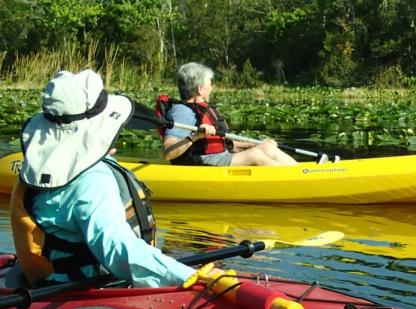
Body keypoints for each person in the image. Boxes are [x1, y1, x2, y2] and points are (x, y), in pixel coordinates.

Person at [9, 69, 196, 288]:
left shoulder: (39, 171)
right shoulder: (92, 181)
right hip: (92, 289)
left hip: (51, 279)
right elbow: (117, 249)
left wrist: (95, 151)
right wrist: (190, 277)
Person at [161, 62, 298, 166]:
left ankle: (301, 172)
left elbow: (224, 143)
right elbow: (168, 153)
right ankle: (297, 181)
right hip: (200, 163)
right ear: (200, 89)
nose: (212, 87)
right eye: (210, 83)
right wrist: (196, 136)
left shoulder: (201, 108)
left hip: (219, 156)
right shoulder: (182, 112)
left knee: (266, 147)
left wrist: (254, 144)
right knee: (254, 155)